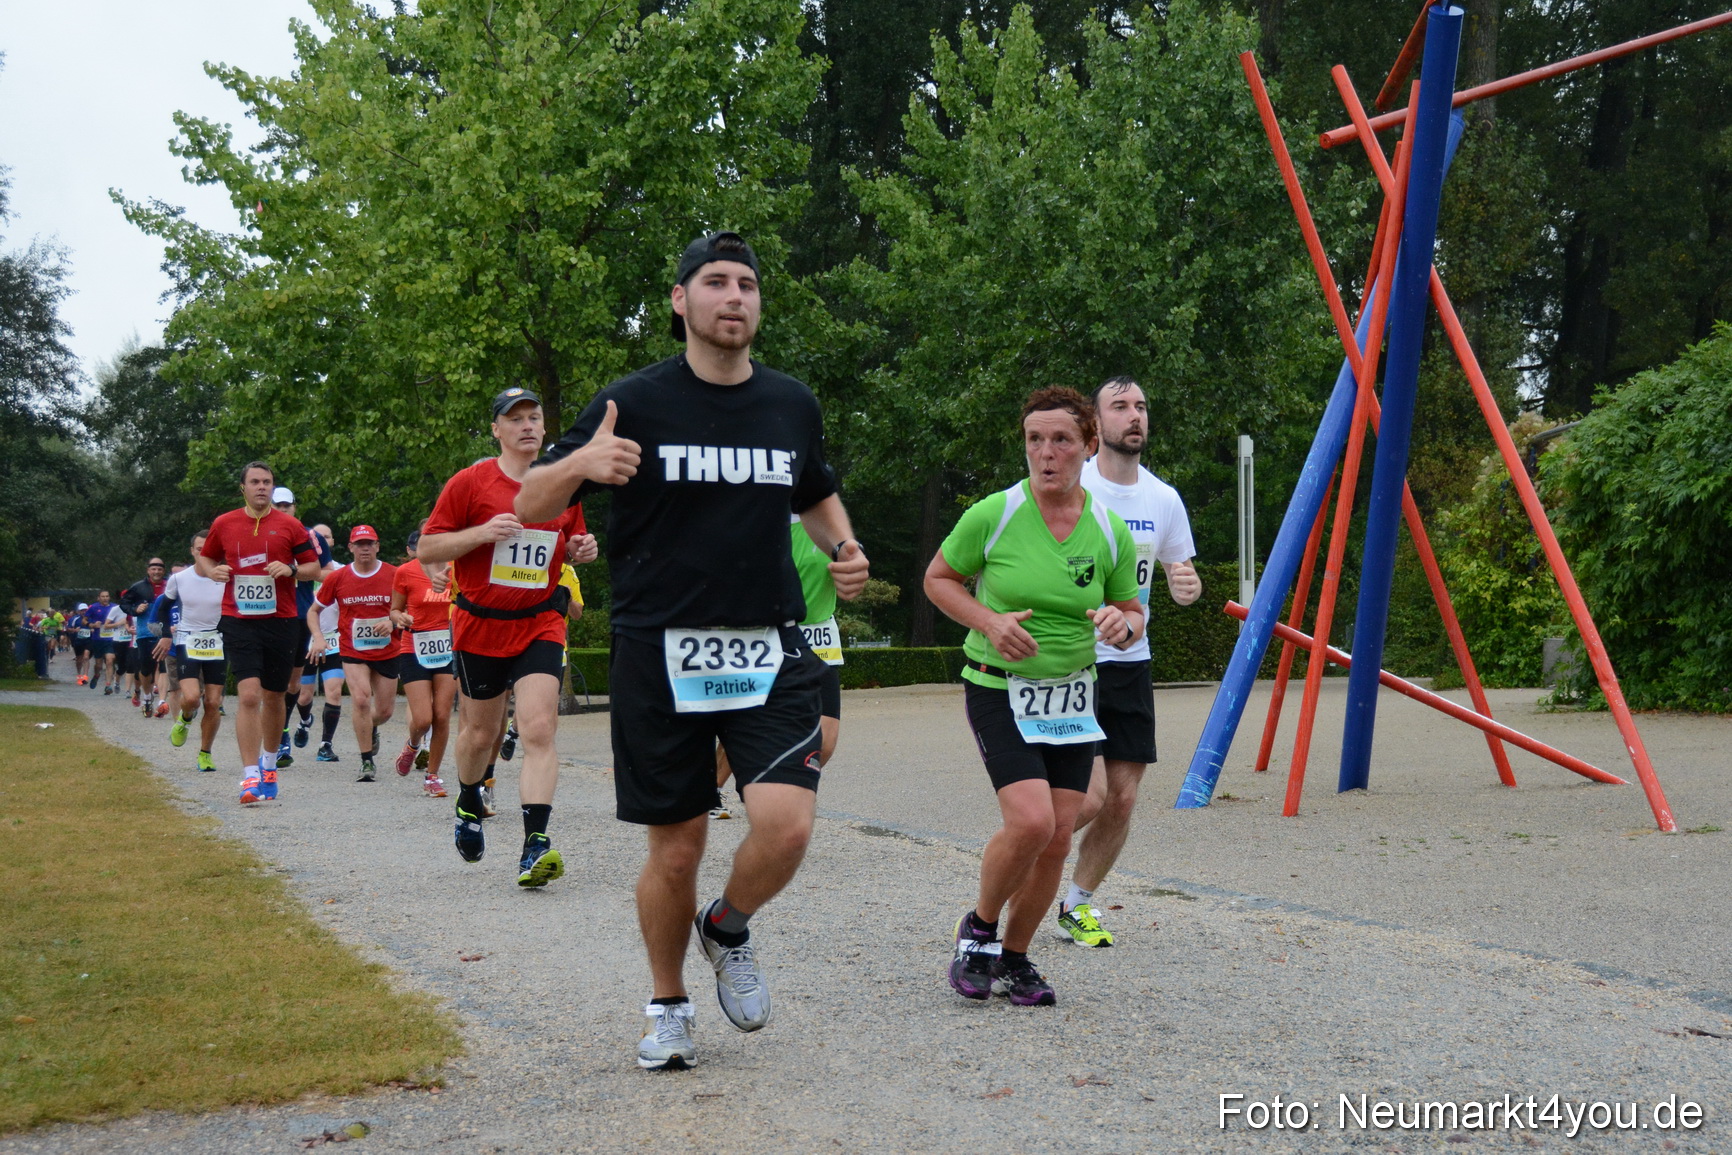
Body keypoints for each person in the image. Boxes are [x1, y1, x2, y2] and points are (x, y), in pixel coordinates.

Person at [517, 230, 868, 1071]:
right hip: (658, 650)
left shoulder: (791, 403)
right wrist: (583, 465)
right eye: (715, 282)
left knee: (784, 827)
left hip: (771, 645)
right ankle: (667, 1002)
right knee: (676, 848)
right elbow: (531, 501)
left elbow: (815, 490)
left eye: (746, 284)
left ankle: (729, 925)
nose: (734, 297)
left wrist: (844, 547)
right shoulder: (629, 404)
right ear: (680, 301)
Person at [923, 386, 1143, 1008]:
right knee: (1031, 820)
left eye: (1061, 441)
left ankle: (1016, 958)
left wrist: (1122, 626)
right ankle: (979, 934)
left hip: (1072, 697)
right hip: (999, 688)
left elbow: (1132, 609)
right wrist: (989, 622)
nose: (1045, 454)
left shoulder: (1107, 527)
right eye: (1034, 440)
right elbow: (938, 580)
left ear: (1089, 446)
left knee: (1058, 836)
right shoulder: (992, 514)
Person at [419, 389, 599, 890]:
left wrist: (582, 548)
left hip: (541, 621)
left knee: (539, 728)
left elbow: (570, 545)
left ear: (544, 428)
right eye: (513, 418)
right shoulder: (470, 482)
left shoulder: (564, 483)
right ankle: (467, 801)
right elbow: (429, 546)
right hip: (479, 624)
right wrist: (480, 534)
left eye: (533, 417)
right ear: (496, 429)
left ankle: (534, 845)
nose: (526, 425)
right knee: (480, 735)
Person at [1058, 376, 1201, 948]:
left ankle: (1077, 905)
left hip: (1131, 664)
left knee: (1121, 798)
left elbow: (1178, 575)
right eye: (1120, 407)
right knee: (1084, 797)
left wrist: (1185, 585)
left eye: (1141, 406)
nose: (1134, 416)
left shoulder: (1163, 499)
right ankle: (1015, 868)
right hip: (1070, 663)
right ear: (1096, 425)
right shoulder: (1072, 486)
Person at [197, 461, 322, 805]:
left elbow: (314, 568)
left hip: (281, 620)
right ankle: (250, 776)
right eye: (255, 482)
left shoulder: (290, 525)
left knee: (275, 695)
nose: (261, 487)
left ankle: (269, 764)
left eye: (267, 482)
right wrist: (214, 571)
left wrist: (292, 569)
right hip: (238, 619)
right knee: (249, 695)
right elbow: (205, 560)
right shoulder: (224, 523)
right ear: (243, 488)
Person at [712, 515, 847, 819]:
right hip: (769, 635)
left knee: (826, 737)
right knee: (748, 722)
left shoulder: (827, 526)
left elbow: (851, 567)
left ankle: (779, 784)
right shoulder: (762, 520)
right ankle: (711, 789)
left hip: (821, 638)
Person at [309, 525, 400, 782]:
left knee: (384, 712)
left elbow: (409, 609)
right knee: (361, 700)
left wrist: (393, 623)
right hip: (352, 649)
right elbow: (312, 611)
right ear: (350, 548)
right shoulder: (338, 577)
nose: (365, 548)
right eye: (359, 544)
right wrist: (318, 638)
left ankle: (371, 728)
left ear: (377, 546)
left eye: (369, 543)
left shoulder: (394, 575)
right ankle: (367, 761)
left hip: (387, 650)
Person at [389, 527, 456, 797]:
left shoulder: (456, 569)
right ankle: (413, 744)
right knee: (423, 718)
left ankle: (433, 776)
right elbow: (394, 609)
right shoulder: (406, 571)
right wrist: (399, 618)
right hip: (414, 647)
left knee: (442, 716)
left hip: (448, 648)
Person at [153, 533, 228, 772]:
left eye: (209, 549)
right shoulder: (180, 578)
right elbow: (163, 609)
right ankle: (185, 719)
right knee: (193, 698)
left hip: (217, 642)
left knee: (213, 702)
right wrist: (166, 635)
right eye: (199, 548)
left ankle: (205, 753)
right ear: (192, 551)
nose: (204, 552)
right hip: (188, 641)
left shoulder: (226, 575)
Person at [273, 487, 338, 765]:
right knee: (271, 683)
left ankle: (284, 729)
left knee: (292, 683)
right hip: (264, 616)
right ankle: (280, 738)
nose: (283, 510)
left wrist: (294, 571)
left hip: (298, 614)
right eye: (279, 505)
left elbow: (328, 573)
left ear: (295, 507)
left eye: (288, 505)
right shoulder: (257, 534)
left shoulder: (310, 536)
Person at [121, 557, 168, 716]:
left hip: (165, 631)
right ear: (148, 570)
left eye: (159, 569)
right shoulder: (138, 587)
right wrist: (135, 609)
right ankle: (147, 697)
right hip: (146, 631)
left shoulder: (171, 585)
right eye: (153, 569)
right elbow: (124, 604)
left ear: (163, 570)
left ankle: (162, 701)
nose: (156, 572)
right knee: (146, 669)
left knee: (164, 666)